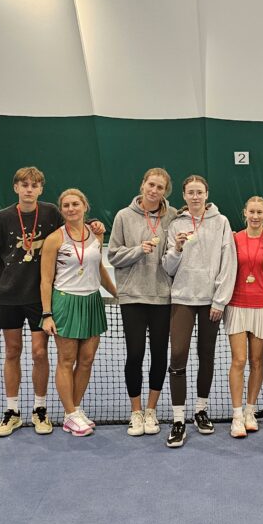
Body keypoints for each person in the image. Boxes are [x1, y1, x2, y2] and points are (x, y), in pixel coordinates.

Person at [0, 166, 104, 438]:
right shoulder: (2, 218)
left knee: (39, 353)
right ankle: (12, 411)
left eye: (34, 185)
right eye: (24, 185)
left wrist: (94, 224)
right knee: (12, 351)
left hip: (38, 298)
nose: (29, 189)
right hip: (9, 295)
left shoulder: (50, 213)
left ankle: (40, 409)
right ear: (16, 188)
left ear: (40, 189)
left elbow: (74, 223)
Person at [161, 175, 237, 448]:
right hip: (182, 298)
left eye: (199, 192)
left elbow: (228, 262)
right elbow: (168, 267)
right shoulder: (175, 225)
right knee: (177, 355)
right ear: (184, 195)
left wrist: (219, 301)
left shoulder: (221, 222)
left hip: (210, 302)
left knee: (207, 355)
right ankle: (178, 419)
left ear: (207, 194)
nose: (195, 196)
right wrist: (177, 248)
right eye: (190, 192)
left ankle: (201, 411)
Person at [40, 188, 117, 437]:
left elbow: (98, 268)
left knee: (86, 360)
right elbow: (45, 280)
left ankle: (72, 411)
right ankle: (71, 413)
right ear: (61, 210)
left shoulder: (96, 235)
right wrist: (47, 314)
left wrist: (117, 293)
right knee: (66, 359)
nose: (71, 209)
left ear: (85, 206)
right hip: (66, 302)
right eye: (66, 205)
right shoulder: (54, 239)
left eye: (75, 204)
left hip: (92, 301)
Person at [108, 168, 176, 437]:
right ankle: (135, 412)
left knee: (160, 355)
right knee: (135, 354)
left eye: (160, 187)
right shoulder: (123, 216)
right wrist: (139, 250)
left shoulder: (173, 216)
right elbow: (113, 255)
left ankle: (151, 410)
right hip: (133, 297)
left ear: (165, 191)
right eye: (151, 185)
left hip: (162, 297)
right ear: (143, 185)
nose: (154, 191)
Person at [224, 196, 263, 438]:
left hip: (260, 306)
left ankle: (250, 411)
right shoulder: (234, 238)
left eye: (259, 212)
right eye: (251, 212)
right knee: (239, 360)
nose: (255, 216)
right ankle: (237, 415)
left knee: (257, 361)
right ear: (244, 213)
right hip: (236, 305)